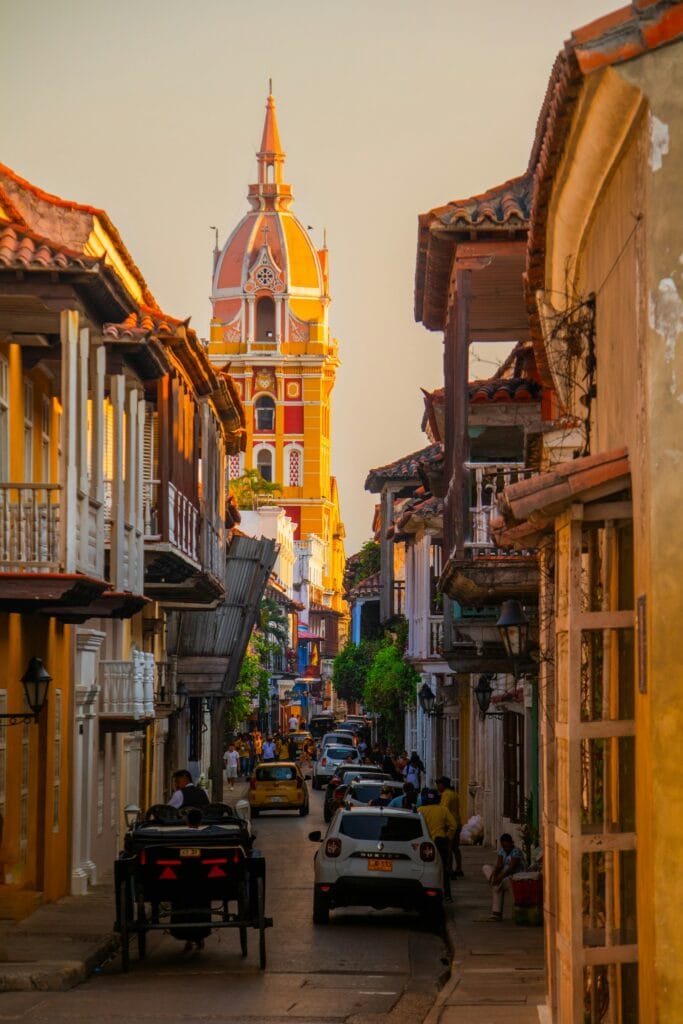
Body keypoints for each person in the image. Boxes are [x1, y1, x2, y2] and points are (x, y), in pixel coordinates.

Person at [417, 788, 456, 901]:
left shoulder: (420, 810)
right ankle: (447, 895)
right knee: (443, 869)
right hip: (440, 842)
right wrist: (448, 837)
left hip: (425, 844)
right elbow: (453, 825)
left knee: (423, 867)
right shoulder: (443, 810)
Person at [483, 833, 527, 921]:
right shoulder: (502, 851)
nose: (505, 848)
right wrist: (494, 875)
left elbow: (510, 869)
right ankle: (496, 912)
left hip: (515, 878)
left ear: (512, 843)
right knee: (486, 868)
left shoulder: (516, 851)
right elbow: (499, 865)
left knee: (498, 886)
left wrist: (498, 878)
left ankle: (499, 912)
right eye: (504, 846)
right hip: (503, 876)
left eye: (507, 846)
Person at [435, 775, 463, 878]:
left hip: (450, 825)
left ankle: (449, 869)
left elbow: (444, 810)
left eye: (439, 785)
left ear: (443, 785)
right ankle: (459, 868)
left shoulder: (446, 795)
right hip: (458, 823)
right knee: (456, 848)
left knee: (448, 848)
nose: (437, 787)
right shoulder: (454, 793)